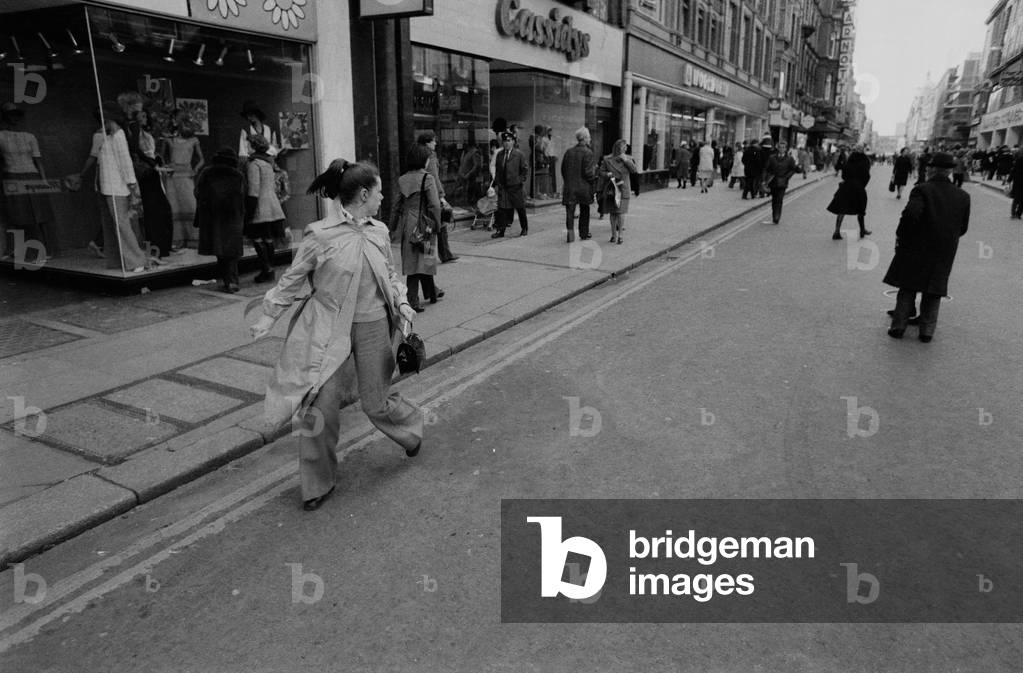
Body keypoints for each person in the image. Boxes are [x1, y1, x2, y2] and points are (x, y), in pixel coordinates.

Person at [249, 158, 423, 511]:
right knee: (319, 406)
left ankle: (412, 429)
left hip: (374, 326)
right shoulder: (320, 234)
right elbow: (293, 278)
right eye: (379, 192)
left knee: (375, 402)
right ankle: (317, 484)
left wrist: (403, 302)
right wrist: (269, 316)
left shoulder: (378, 231)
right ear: (363, 195)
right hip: (327, 328)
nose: (383, 197)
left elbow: (390, 275)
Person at [883, 152, 970, 343]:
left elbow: (910, 215)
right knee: (934, 288)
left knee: (909, 285)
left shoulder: (922, 190)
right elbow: (963, 227)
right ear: (949, 171)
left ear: (931, 169)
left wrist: (902, 235)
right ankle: (927, 331)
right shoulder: (963, 196)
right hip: (944, 248)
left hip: (917, 244)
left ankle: (898, 327)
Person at [74, 102, 154, 273]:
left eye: (104, 119)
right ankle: (118, 260)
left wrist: (132, 185)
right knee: (112, 224)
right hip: (108, 187)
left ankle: (136, 260)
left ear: (110, 118)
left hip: (117, 186)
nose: (102, 122)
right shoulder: (108, 136)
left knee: (122, 223)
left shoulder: (118, 135)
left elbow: (125, 162)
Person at [0, 103, 55, 261]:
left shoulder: (29, 136)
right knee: (16, 213)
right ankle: (14, 249)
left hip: (32, 175)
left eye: (16, 114)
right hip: (12, 175)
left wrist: (43, 180)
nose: (14, 118)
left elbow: (38, 160)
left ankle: (46, 249)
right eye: (10, 114)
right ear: (5, 117)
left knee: (39, 213)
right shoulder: (1, 135)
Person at [391, 143, 442, 312]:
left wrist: (391, 227)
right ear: (423, 160)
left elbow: (396, 206)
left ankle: (430, 292)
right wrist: (437, 225)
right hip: (425, 224)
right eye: (427, 159)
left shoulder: (402, 179)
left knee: (413, 262)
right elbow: (434, 205)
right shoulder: (428, 178)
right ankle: (416, 298)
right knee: (427, 259)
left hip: (408, 224)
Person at [195, 147, 245, 293]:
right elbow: (243, 194)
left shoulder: (206, 172)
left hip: (212, 216)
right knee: (232, 250)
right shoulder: (238, 175)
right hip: (232, 216)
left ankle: (226, 280)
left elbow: (197, 192)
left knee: (219, 248)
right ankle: (232, 281)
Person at [245, 133, 286, 283]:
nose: (246, 147)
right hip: (272, 205)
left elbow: (253, 189)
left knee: (257, 238)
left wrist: (249, 211)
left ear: (253, 146)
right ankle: (270, 269)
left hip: (259, 206)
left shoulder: (254, 164)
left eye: (248, 144)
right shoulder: (268, 162)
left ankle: (266, 269)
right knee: (268, 238)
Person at [417, 131, 457, 262]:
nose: (435, 143)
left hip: (420, 195)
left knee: (427, 226)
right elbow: (434, 177)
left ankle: (428, 256)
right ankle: (440, 255)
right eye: (433, 141)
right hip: (432, 195)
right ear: (427, 142)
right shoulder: (430, 156)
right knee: (438, 224)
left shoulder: (416, 154)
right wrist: (441, 196)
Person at [164, 119, 205, 250]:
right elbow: (162, 156)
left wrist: (195, 170)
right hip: (172, 177)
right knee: (175, 207)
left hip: (187, 175)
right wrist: (166, 166)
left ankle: (194, 238)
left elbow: (201, 159)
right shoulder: (170, 141)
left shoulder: (194, 140)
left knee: (191, 205)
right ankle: (178, 239)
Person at [596, 139, 638, 245]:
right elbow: (600, 172)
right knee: (613, 213)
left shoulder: (629, 158)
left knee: (620, 212)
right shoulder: (607, 159)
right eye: (624, 147)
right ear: (618, 148)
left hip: (624, 189)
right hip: (612, 189)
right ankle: (613, 234)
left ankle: (620, 236)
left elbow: (634, 170)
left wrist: (626, 160)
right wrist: (607, 174)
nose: (626, 149)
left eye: (626, 147)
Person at [827, 145, 872, 240]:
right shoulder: (864, 161)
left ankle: (836, 231)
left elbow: (843, 175)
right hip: (859, 188)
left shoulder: (849, 161)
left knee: (842, 209)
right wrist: (861, 185)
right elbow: (867, 176)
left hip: (846, 187)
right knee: (861, 210)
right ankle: (862, 230)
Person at [560, 126, 596, 243]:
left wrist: (568, 181)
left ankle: (570, 235)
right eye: (589, 137)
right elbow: (588, 173)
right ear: (585, 138)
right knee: (584, 210)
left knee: (570, 212)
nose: (590, 139)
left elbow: (563, 169)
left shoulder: (569, 152)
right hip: (584, 187)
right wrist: (593, 182)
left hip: (570, 187)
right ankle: (584, 233)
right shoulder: (588, 152)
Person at [491, 131, 529, 238]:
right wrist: (494, 185)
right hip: (503, 187)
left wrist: (519, 180)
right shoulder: (500, 155)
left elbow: (524, 170)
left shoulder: (519, 154)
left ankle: (524, 228)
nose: (506, 143)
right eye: (504, 141)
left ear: (513, 142)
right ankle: (501, 231)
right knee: (502, 209)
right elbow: (498, 171)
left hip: (515, 187)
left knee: (520, 208)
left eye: (509, 141)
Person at [763, 140, 799, 225]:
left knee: (779, 200)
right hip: (773, 182)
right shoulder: (772, 157)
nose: (782, 149)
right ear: (778, 148)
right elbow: (766, 169)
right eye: (780, 147)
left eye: (783, 147)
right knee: (774, 200)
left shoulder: (789, 158)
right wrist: (764, 180)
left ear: (786, 149)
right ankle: (774, 217)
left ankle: (776, 218)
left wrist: (787, 177)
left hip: (783, 183)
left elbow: (793, 169)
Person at [1008, 146, 1023, 219]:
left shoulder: (1019, 159)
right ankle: (1018, 214)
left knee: (1016, 199)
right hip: (1018, 181)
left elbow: (1013, 170)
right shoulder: (1019, 159)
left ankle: (1013, 213)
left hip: (1018, 181)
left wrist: (1009, 180)